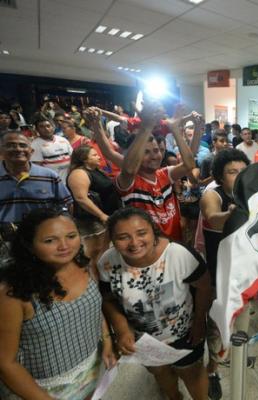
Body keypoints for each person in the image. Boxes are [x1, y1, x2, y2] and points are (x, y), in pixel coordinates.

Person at [0, 208, 116, 400]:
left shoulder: (84, 265)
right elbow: (5, 363)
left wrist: (107, 340)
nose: (64, 246)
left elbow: (95, 309)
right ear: (29, 245)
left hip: (91, 370)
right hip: (42, 389)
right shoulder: (14, 293)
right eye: (49, 241)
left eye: (71, 236)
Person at [98, 207, 211, 400]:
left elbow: (204, 287)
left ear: (153, 230)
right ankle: (174, 397)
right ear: (112, 239)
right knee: (159, 372)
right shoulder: (107, 262)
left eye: (141, 233)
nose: (134, 243)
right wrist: (122, 328)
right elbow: (108, 299)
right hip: (143, 340)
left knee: (192, 371)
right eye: (123, 237)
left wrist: (200, 322)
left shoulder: (179, 255)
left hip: (185, 334)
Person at [200, 149, 249, 400]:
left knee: (242, 319)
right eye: (232, 172)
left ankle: (237, 353)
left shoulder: (249, 195)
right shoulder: (213, 194)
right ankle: (212, 371)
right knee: (217, 326)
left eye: (242, 171)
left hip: (244, 273)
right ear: (220, 175)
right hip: (220, 274)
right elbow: (212, 218)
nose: (239, 176)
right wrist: (231, 215)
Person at [114, 102, 197, 241]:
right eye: (146, 152)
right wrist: (146, 128)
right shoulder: (129, 181)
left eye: (156, 151)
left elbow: (189, 164)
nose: (154, 156)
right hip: (148, 249)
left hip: (173, 244)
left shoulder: (164, 174)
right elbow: (128, 169)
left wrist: (175, 129)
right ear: (135, 154)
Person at [0, 131, 72, 226]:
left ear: (31, 151)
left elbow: (67, 205)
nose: (17, 149)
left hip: (43, 236)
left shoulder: (49, 176)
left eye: (23, 145)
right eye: (10, 145)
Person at [67, 145, 121, 265]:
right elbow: (81, 198)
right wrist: (101, 215)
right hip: (92, 221)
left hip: (107, 216)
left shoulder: (95, 171)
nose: (98, 157)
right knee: (96, 251)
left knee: (106, 249)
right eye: (94, 155)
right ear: (84, 159)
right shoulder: (79, 173)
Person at [30, 117, 73, 182]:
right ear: (37, 130)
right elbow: (37, 168)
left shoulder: (63, 140)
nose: (46, 129)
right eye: (42, 127)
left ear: (53, 127)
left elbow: (73, 158)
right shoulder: (35, 145)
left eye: (48, 126)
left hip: (70, 180)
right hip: (52, 182)